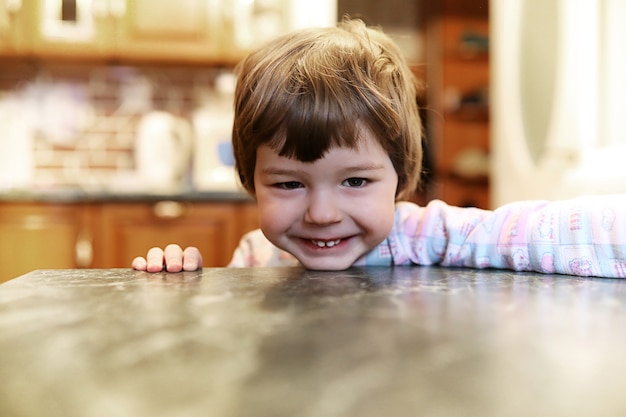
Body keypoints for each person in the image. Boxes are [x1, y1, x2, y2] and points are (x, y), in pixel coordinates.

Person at [132, 19, 626, 278]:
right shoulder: (255, 256)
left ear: (401, 175)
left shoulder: (424, 235)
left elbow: (534, 233)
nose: (323, 214)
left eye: (355, 181)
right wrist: (182, 281)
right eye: (287, 183)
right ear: (249, 178)